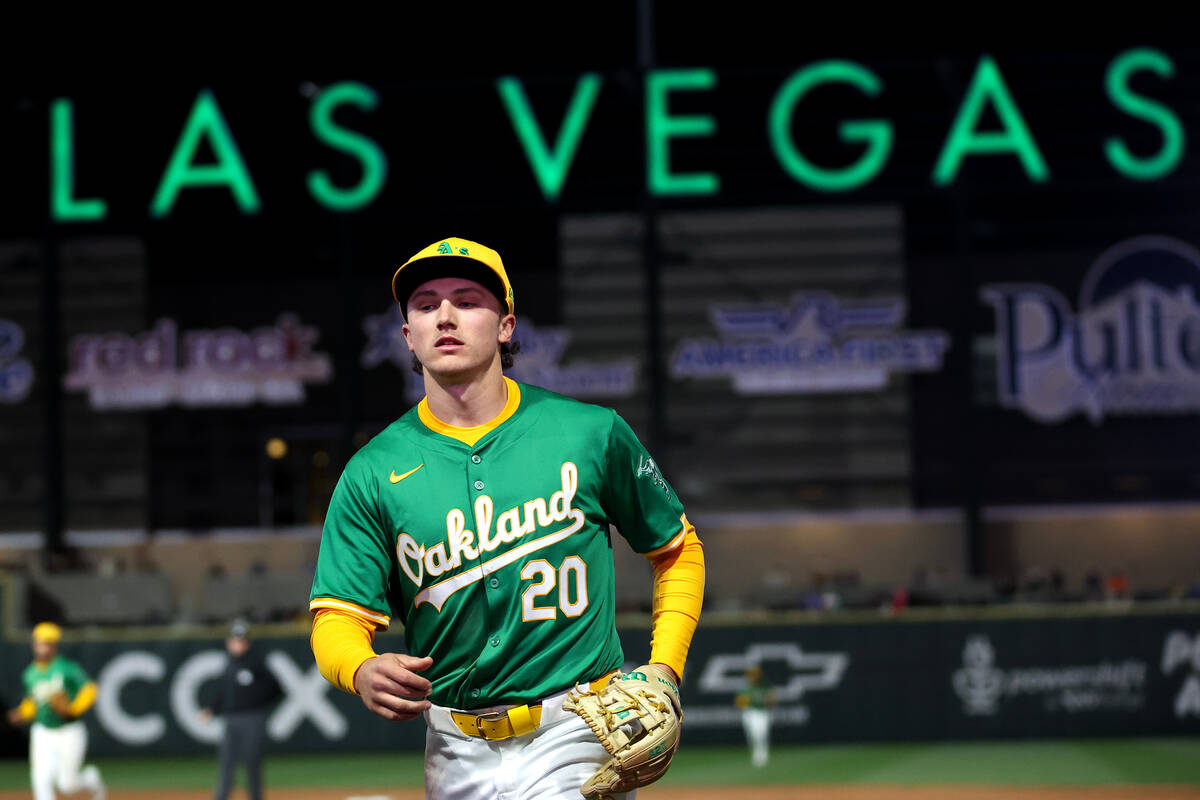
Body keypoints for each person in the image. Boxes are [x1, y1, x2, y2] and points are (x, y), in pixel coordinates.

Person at [308, 237, 706, 799]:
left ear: (506, 325)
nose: (444, 315)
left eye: (468, 300)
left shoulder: (590, 433)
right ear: (408, 337)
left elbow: (678, 550)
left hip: (579, 729)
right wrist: (358, 667)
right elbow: (336, 619)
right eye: (424, 305)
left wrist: (665, 667)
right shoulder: (373, 471)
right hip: (451, 750)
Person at [6, 622, 106, 800]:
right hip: (42, 731)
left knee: (68, 785)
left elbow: (90, 689)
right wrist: (22, 713)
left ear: (54, 645)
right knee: (40, 781)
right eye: (39, 643)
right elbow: (32, 703)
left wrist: (73, 708)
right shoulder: (30, 673)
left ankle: (91, 779)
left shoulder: (67, 668)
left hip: (69, 731)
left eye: (46, 643)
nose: (42, 647)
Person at [199, 619, 283, 800]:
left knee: (252, 763)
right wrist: (212, 709)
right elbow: (223, 692)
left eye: (240, 640)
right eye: (234, 641)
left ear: (246, 642)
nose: (237, 644)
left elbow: (277, 689)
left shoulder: (256, 664)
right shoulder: (229, 665)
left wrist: (258, 703)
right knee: (226, 763)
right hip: (230, 719)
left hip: (252, 718)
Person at [735, 665, 777, 767]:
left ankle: (762, 753)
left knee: (761, 734)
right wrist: (743, 703)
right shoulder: (746, 688)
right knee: (752, 735)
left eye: (754, 675)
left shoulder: (765, 686)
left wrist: (768, 701)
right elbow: (739, 703)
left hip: (762, 712)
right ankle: (757, 753)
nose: (752, 677)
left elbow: (773, 700)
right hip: (751, 712)